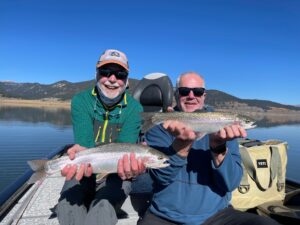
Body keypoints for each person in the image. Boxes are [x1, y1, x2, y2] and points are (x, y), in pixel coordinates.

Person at [136, 72, 280, 225]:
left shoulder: (226, 132)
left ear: (204, 95)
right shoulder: (162, 127)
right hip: (165, 216)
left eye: (197, 92)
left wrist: (218, 147)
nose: (191, 96)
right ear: (177, 94)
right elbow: (161, 177)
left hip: (217, 216)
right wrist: (181, 146)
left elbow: (231, 183)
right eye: (185, 91)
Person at [56, 49, 145, 225]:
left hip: (117, 174)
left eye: (120, 74)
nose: (112, 79)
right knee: (67, 207)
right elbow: (85, 146)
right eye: (105, 72)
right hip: (85, 167)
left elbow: (124, 150)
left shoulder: (135, 109)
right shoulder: (81, 101)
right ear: (96, 75)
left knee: (103, 209)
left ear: (126, 80)